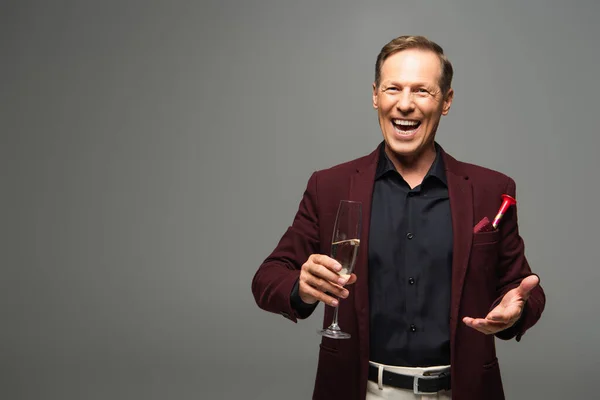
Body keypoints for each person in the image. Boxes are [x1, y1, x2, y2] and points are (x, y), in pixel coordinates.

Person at [251, 35, 545, 400]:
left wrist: (516, 311)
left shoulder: (491, 189)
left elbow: (524, 291)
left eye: (422, 91)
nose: (404, 105)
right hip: (360, 390)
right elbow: (267, 278)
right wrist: (301, 287)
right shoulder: (330, 186)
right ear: (376, 95)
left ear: (447, 101)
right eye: (393, 88)